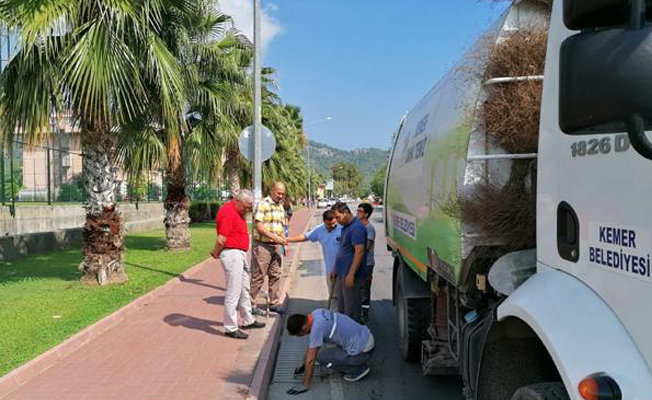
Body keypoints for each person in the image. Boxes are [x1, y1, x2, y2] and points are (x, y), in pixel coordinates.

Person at [210, 189, 265, 339]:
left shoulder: (237, 211)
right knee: (233, 292)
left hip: (238, 254)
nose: (249, 209)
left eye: (250, 206)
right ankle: (230, 327)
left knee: (244, 288)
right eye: (247, 206)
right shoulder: (228, 212)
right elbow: (221, 239)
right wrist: (215, 253)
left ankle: (247, 319)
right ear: (238, 201)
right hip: (232, 253)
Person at [285, 309, 375, 395]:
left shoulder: (317, 328)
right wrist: (304, 364)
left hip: (363, 352)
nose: (301, 336)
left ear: (304, 328)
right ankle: (353, 362)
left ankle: (357, 370)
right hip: (365, 336)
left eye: (299, 335)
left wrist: (305, 385)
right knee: (320, 354)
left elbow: (311, 360)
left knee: (321, 358)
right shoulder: (316, 313)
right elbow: (312, 346)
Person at [287, 210, 342, 309]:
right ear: (324, 221)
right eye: (329, 224)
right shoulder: (319, 230)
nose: (333, 225)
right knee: (334, 296)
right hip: (330, 271)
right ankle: (334, 318)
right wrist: (286, 240)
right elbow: (304, 237)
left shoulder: (342, 229)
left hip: (344, 269)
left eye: (334, 223)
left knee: (344, 298)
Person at [250, 182, 288, 315]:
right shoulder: (263, 204)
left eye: (283, 194)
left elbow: (281, 226)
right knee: (258, 275)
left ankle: (274, 302)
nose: (281, 196)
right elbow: (259, 227)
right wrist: (274, 237)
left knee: (276, 274)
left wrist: (282, 241)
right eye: (279, 193)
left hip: (276, 246)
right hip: (262, 246)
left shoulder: (280, 207)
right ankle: (250, 303)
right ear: (272, 190)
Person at [331, 202, 367, 323]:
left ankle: (354, 339)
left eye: (338, 217)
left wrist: (351, 274)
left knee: (351, 311)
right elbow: (343, 249)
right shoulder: (346, 227)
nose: (335, 221)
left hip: (351, 277)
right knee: (342, 309)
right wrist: (335, 268)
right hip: (342, 274)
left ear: (345, 213)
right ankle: (343, 337)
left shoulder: (357, 228)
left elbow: (359, 252)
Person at [356, 203, 375, 321]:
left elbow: (366, 247)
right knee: (358, 288)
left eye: (360, 211)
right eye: (357, 210)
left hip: (366, 264)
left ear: (366, 214)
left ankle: (365, 314)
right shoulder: (358, 226)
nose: (357, 213)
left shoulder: (369, 229)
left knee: (365, 288)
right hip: (358, 262)